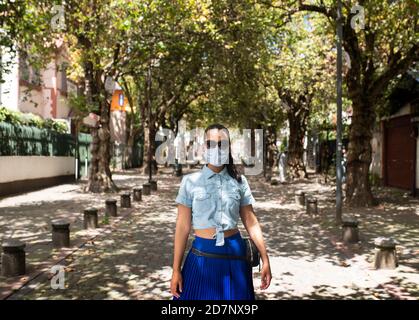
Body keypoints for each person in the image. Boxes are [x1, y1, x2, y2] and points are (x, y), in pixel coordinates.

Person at [170, 123, 272, 300]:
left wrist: (265, 259)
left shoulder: (240, 182)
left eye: (222, 144)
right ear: (204, 147)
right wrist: (176, 269)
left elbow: (251, 221)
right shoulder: (189, 182)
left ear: (229, 148)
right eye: (210, 144)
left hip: (235, 257)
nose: (216, 149)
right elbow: (182, 227)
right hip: (201, 258)